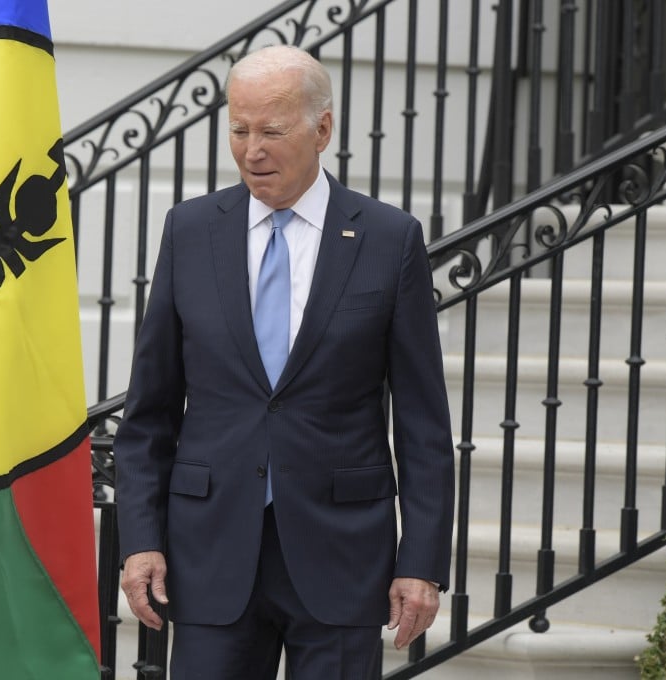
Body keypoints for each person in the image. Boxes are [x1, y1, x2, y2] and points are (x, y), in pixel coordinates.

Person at [114, 44, 455, 679]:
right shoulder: (190, 231)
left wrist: (423, 560)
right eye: (238, 131)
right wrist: (140, 540)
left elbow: (424, 426)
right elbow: (149, 411)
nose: (252, 151)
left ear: (322, 128)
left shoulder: (388, 239)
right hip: (210, 552)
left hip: (342, 558)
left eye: (271, 131)